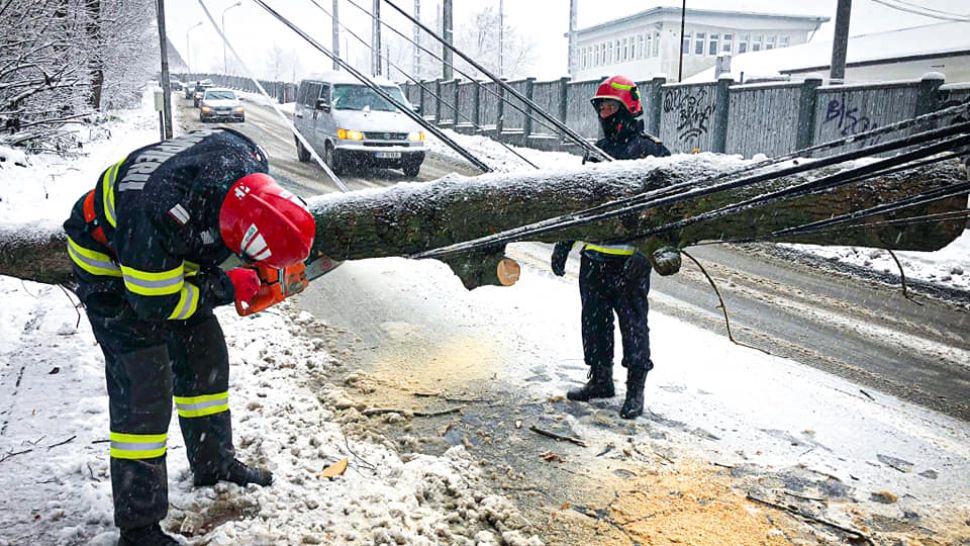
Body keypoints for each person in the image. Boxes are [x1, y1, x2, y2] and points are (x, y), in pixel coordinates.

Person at [63, 128, 316, 545]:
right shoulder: (156, 213)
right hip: (110, 257)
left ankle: (212, 462)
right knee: (144, 387)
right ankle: (139, 526)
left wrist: (262, 267)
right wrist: (225, 287)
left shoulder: (248, 157)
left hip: (171, 250)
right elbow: (155, 305)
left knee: (205, 358)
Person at [551, 75, 671, 420]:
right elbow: (582, 204)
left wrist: (645, 252)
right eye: (600, 107)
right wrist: (564, 243)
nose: (604, 113)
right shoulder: (596, 153)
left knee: (633, 326)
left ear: (627, 108)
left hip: (629, 265)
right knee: (594, 323)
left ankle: (635, 389)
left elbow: (667, 211)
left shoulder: (652, 152)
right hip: (593, 260)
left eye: (609, 106)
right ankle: (600, 379)